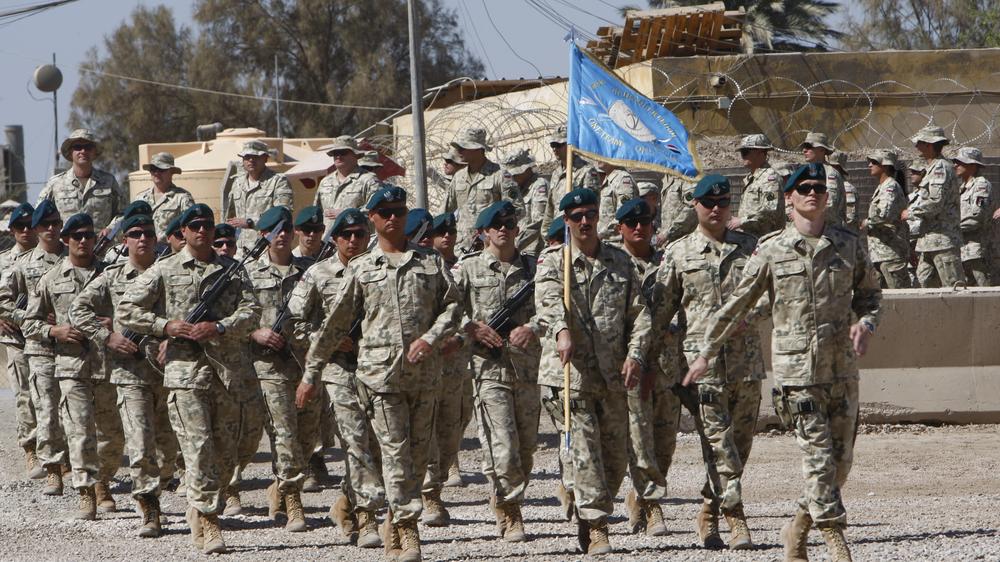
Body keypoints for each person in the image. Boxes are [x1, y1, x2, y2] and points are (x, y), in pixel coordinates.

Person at [685, 163, 882, 562]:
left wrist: (866, 323)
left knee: (840, 465)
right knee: (819, 461)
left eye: (819, 188)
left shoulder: (848, 244)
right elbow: (736, 305)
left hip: (842, 371)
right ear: (789, 198)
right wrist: (706, 352)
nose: (813, 194)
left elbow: (871, 296)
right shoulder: (772, 249)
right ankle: (835, 539)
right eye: (804, 188)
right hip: (797, 375)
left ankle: (797, 528)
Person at [295, 185, 463, 562]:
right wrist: (311, 373)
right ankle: (407, 530)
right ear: (372, 218)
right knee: (395, 454)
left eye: (399, 211)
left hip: (424, 376)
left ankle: (395, 519)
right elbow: (334, 326)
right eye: (384, 212)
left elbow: (453, 307)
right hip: (379, 380)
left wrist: (431, 338)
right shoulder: (361, 267)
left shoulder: (430, 262)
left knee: (419, 457)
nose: (392, 218)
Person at [118, 204, 261, 555]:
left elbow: (253, 311)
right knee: (198, 449)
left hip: (226, 373)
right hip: (185, 375)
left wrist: (221, 327)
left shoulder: (233, 269)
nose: (201, 231)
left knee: (226, 452)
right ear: (183, 231)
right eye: (194, 225)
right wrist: (165, 326)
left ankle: (200, 506)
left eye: (207, 225)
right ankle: (209, 521)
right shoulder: (165, 268)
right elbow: (126, 309)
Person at [534, 188, 651, 555]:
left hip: (612, 375)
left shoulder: (619, 261)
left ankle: (588, 509)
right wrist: (561, 331)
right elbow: (548, 301)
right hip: (570, 375)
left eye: (590, 214)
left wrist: (636, 355)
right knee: (585, 453)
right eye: (576, 216)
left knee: (614, 460)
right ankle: (599, 526)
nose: (584, 221)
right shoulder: (554, 262)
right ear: (566, 221)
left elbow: (639, 314)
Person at [651, 176, 765, 550]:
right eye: (707, 203)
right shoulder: (679, 253)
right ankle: (735, 517)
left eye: (723, 202)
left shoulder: (750, 248)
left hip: (746, 364)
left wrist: (750, 315)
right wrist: (657, 363)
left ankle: (708, 508)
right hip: (704, 368)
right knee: (719, 446)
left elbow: (774, 294)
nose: (716, 209)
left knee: (740, 447)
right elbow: (660, 313)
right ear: (695, 206)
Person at [70, 213, 176, 535]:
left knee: (168, 448)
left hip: (171, 372)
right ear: (124, 240)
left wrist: (173, 339)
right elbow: (78, 309)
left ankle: (162, 488)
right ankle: (149, 508)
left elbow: (189, 312)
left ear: (156, 239)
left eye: (148, 233)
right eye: (136, 233)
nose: (143, 238)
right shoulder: (112, 276)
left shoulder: (171, 271)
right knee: (140, 444)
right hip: (130, 373)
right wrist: (108, 337)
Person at [288, 208, 386, 549]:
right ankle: (367, 518)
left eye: (360, 234)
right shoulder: (318, 273)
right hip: (337, 369)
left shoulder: (379, 270)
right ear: (335, 239)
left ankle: (344, 504)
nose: (354, 240)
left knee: (376, 446)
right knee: (355, 442)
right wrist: (326, 338)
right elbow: (294, 322)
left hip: (376, 367)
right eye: (346, 235)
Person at [24, 213, 124, 520]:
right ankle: (86, 491)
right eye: (77, 236)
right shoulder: (51, 278)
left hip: (107, 365)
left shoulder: (111, 274)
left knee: (112, 435)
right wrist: (55, 331)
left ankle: (103, 480)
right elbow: (29, 322)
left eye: (88, 235)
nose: (83, 241)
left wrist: (114, 323)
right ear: (66, 240)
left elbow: (131, 312)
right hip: (71, 367)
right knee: (79, 431)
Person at [454, 201, 541, 542]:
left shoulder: (534, 268)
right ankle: (510, 509)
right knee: (502, 446)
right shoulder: (468, 268)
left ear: (517, 229)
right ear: (484, 232)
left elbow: (554, 306)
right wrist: (471, 327)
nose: (503, 229)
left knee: (526, 448)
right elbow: (446, 308)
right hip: (488, 370)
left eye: (509, 223)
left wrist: (532, 327)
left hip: (527, 368)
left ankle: (506, 496)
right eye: (496, 225)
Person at [245, 206, 317, 532]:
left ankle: (279, 486)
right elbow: (233, 315)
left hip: (304, 363)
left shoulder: (309, 270)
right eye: (275, 230)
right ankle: (293, 501)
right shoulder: (248, 274)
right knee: (284, 434)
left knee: (307, 435)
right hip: (268, 367)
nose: (283, 235)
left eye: (287, 228)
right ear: (264, 235)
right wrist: (254, 332)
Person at [0, 200, 69, 495]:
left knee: (71, 403)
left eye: (54, 223)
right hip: (27, 341)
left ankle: (72, 459)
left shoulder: (73, 257)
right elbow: (3, 300)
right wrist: (28, 317)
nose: (27, 231)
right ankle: (38, 452)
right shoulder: (16, 262)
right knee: (33, 399)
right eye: (21, 226)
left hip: (69, 343)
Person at [614, 198, 673, 538]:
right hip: (630, 366)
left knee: (664, 441)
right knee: (639, 439)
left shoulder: (668, 263)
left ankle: (639, 495)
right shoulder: (613, 265)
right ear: (620, 228)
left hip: (666, 364)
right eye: (632, 223)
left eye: (646, 222)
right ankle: (652, 506)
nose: (640, 228)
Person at [429, 211, 474, 490]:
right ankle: (439, 468)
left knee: (461, 411)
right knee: (433, 411)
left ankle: (450, 454)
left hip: (461, 352)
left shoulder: (465, 265)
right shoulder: (428, 267)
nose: (447, 236)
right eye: (440, 232)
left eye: (451, 232)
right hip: (435, 352)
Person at [0, 203, 41, 478]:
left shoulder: (51, 256)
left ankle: (57, 449)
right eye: (19, 226)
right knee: (25, 394)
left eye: (29, 225)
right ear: (12, 230)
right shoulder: (3, 260)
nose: (25, 230)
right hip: (15, 338)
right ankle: (31, 448)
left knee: (50, 396)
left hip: (46, 338)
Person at [904, 125, 965, 288]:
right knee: (923, 287)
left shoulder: (941, 168)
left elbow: (936, 202)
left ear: (929, 145)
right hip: (929, 241)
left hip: (943, 241)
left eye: (920, 143)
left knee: (953, 288)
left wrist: (910, 212)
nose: (917, 146)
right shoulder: (932, 167)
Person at [38, 129, 126, 234]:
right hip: (67, 243)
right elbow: (39, 214)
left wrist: (110, 229)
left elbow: (123, 213)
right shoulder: (55, 183)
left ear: (94, 152)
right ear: (70, 152)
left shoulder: (108, 181)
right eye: (78, 147)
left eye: (88, 147)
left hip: (100, 242)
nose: (83, 151)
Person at [445, 128, 510, 253]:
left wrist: (498, 234)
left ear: (478, 149)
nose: (459, 151)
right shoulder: (459, 177)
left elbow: (515, 209)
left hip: (489, 246)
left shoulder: (499, 175)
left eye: (463, 148)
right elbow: (446, 210)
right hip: (462, 246)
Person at [225, 139, 293, 253]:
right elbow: (231, 218)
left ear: (265, 158)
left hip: (266, 249)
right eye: (247, 157)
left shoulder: (278, 181)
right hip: (240, 251)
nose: (251, 160)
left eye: (256, 157)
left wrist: (251, 223)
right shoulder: (237, 183)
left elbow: (283, 216)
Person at [863, 150, 912, 288]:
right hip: (881, 253)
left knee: (899, 296)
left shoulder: (890, 187)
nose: (870, 165)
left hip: (891, 254)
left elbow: (884, 215)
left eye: (874, 162)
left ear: (885, 165)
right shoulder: (882, 187)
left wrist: (866, 222)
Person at [544, 125, 600, 237]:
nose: (555, 149)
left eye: (559, 145)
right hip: (558, 234)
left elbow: (591, 207)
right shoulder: (556, 174)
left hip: (577, 232)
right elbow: (550, 208)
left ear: (570, 145)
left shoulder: (586, 171)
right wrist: (547, 233)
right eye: (552, 145)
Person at [313, 136, 381, 220]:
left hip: (357, 228)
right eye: (335, 153)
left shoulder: (369, 180)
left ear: (355, 155)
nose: (338, 156)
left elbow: (377, 209)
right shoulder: (325, 182)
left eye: (343, 152)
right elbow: (316, 213)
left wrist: (347, 213)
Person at [731, 134, 784, 237]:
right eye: (742, 153)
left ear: (760, 153)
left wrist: (741, 221)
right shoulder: (752, 178)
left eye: (745, 152)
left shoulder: (770, 179)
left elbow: (770, 211)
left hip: (766, 240)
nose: (743, 156)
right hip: (751, 238)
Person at [135, 152, 196, 241]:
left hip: (170, 248)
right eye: (153, 169)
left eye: (161, 169)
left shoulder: (182, 198)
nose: (156, 173)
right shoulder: (140, 198)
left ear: (171, 172)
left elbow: (191, 227)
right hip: (145, 246)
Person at [954, 147, 993, 286]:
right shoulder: (962, 188)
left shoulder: (981, 185)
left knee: (984, 289)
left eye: (960, 162)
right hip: (963, 248)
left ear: (972, 165)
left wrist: (952, 228)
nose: (955, 165)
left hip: (977, 249)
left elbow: (976, 217)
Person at [500, 148, 548, 254]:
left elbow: (539, 221)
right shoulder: (516, 189)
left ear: (526, 170)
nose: (512, 178)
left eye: (515, 175)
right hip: (516, 249)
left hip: (533, 250)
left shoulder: (539, 185)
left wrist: (516, 243)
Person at [800, 132, 847, 226]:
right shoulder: (805, 173)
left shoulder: (830, 174)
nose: (804, 150)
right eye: (804, 147)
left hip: (829, 229)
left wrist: (803, 215)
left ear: (821, 149)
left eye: (809, 146)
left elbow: (829, 205)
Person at [595, 162, 638, 243]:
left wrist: (601, 234)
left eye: (605, 155)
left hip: (617, 242)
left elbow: (624, 214)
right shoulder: (609, 179)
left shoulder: (622, 179)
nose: (598, 158)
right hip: (606, 240)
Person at [831, 152, 861, 231]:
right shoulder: (833, 187)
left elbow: (850, 219)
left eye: (831, 167)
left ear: (837, 168)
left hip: (844, 235)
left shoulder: (847, 189)